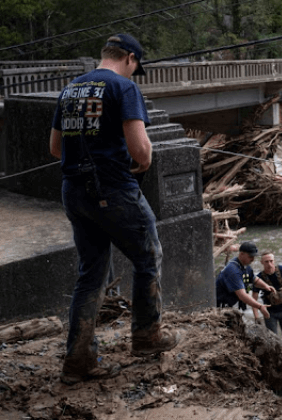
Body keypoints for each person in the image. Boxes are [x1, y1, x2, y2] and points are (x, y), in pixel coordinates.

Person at [50, 34, 179, 385]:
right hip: (112, 189)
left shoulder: (71, 88)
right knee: (148, 255)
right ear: (130, 59)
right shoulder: (123, 88)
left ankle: (78, 359)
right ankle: (147, 336)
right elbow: (141, 152)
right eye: (136, 67)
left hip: (73, 192)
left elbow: (54, 147)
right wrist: (138, 162)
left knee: (90, 274)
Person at [216, 241, 272, 321]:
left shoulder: (245, 265)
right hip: (222, 308)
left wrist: (266, 286)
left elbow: (254, 279)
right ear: (241, 254)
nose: (252, 259)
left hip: (234, 304)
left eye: (254, 256)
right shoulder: (233, 270)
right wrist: (260, 306)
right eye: (250, 256)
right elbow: (242, 295)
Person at [254, 252, 282, 335]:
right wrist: (256, 316)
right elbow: (254, 298)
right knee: (272, 338)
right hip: (270, 313)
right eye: (266, 262)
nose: (269, 264)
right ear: (261, 262)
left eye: (271, 261)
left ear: (274, 260)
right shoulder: (259, 278)